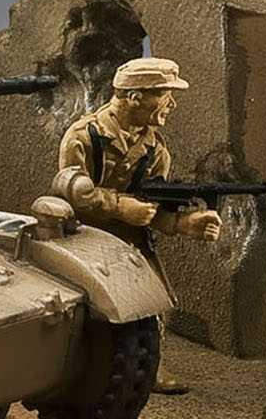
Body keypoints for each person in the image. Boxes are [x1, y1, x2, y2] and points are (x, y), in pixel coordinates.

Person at [55, 57, 220, 393]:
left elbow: (151, 208)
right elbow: (69, 190)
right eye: (164, 95)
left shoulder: (155, 148)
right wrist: (120, 206)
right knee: (85, 309)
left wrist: (181, 223)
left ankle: (148, 365)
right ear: (134, 97)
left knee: (156, 300)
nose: (172, 104)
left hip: (130, 239)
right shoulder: (84, 136)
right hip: (82, 235)